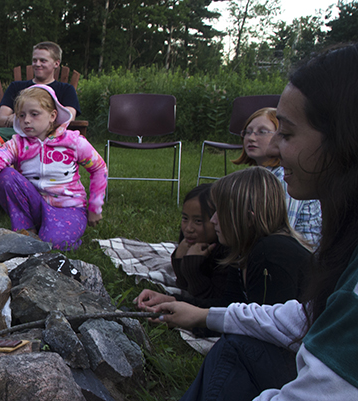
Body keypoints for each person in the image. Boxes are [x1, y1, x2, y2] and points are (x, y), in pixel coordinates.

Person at [97, 44, 358, 401]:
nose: (277, 151)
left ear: (345, 140)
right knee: (236, 348)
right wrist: (203, 315)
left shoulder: (278, 254)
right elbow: (304, 317)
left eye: (289, 134)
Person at [0, 85, 106, 251]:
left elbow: (99, 168)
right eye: (21, 115)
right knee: (5, 174)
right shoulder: (17, 144)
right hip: (33, 205)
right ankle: (25, 228)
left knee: (52, 244)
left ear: (52, 115)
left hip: (68, 208)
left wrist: (95, 206)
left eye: (34, 114)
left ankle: (57, 233)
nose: (26, 120)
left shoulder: (73, 142)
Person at [138, 166, 312, 311]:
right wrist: (173, 302)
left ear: (248, 218)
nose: (213, 220)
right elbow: (229, 306)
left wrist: (198, 319)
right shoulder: (243, 250)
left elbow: (265, 327)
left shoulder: (270, 253)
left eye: (219, 213)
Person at [233, 107, 322, 247]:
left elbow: (280, 231)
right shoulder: (259, 176)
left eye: (262, 132)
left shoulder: (285, 177)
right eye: (248, 132)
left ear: (282, 136)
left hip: (298, 253)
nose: (251, 138)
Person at [0, 42, 80, 158]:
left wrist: (39, 121)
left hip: (51, 135)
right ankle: (8, 170)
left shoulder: (66, 89)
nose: (37, 64)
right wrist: (19, 118)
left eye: (43, 61)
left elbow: (69, 117)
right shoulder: (16, 87)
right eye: (34, 60)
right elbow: (1, 119)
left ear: (56, 63)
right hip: (18, 133)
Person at [171, 184, 228, 300]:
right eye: (185, 218)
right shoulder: (189, 246)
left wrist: (191, 267)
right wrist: (179, 259)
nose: (188, 228)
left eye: (198, 221)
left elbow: (210, 301)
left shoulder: (227, 255)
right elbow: (184, 287)